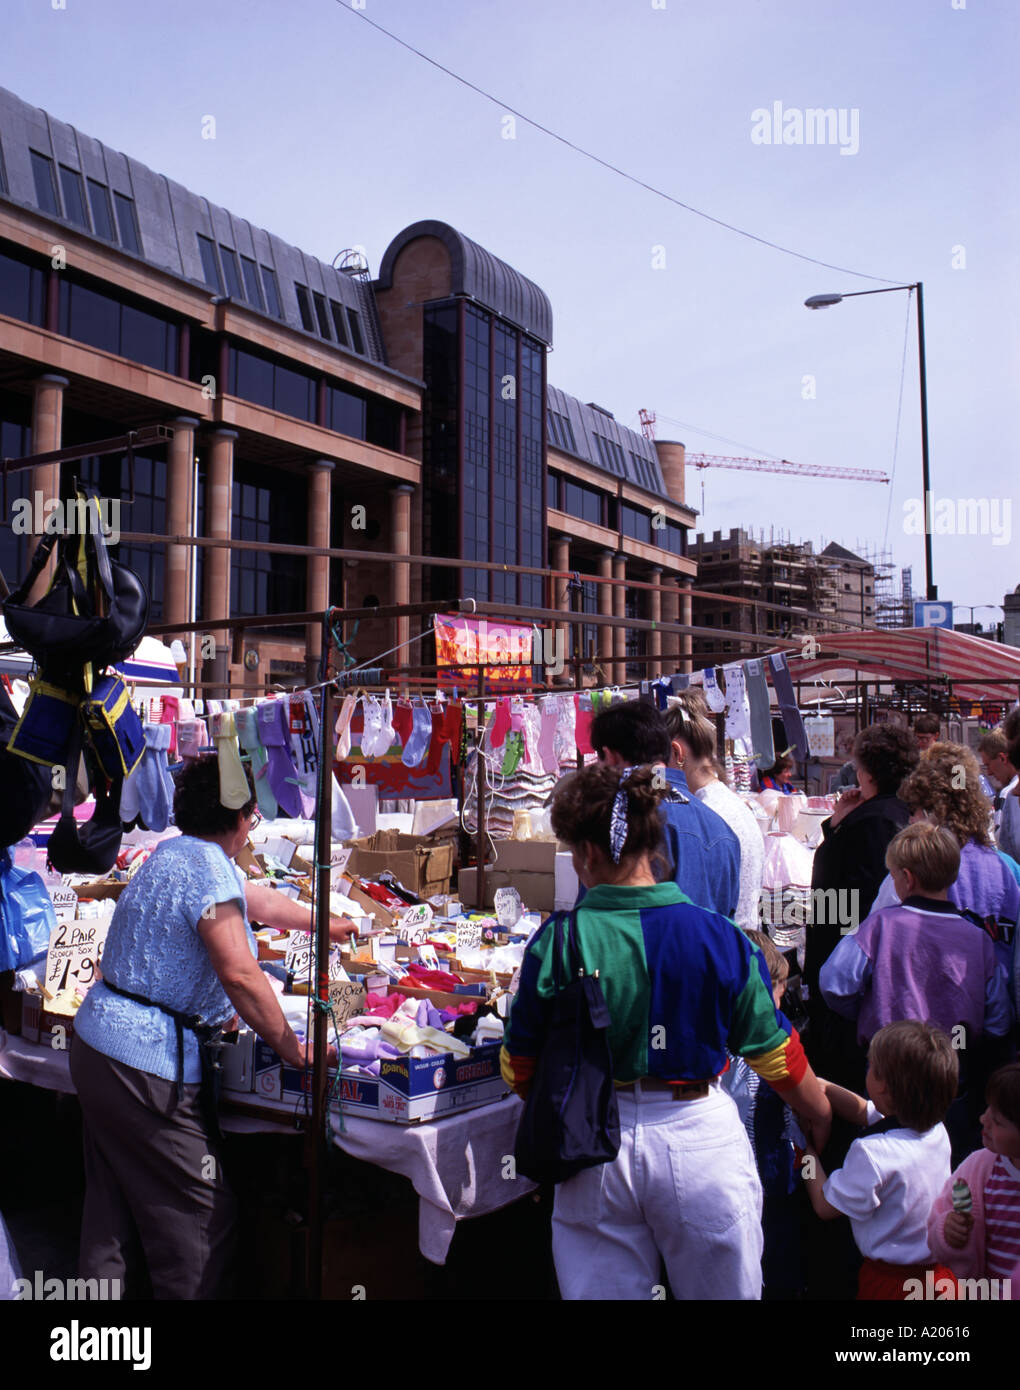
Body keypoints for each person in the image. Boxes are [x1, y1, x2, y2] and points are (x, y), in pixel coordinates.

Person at [502, 762, 832, 1300]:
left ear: (586, 853)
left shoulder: (556, 943)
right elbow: (777, 1054)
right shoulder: (721, 937)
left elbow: (520, 1066)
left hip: (593, 1146)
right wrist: (817, 1110)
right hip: (699, 1138)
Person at [70, 755, 357, 1299]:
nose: (254, 825)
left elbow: (258, 901)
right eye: (252, 814)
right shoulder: (205, 867)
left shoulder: (177, 855)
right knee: (200, 1214)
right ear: (243, 816)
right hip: (144, 1065)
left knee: (111, 1207)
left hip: (96, 1047)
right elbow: (241, 975)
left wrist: (326, 921)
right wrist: (294, 1050)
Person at [802, 1021, 959, 1301]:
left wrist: (806, 1156)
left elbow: (825, 1206)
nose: (867, 1069)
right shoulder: (936, 1130)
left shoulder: (872, 1153)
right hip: (937, 1278)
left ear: (884, 1086)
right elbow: (866, 1111)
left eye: (870, 1066)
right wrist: (823, 1088)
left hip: (890, 1283)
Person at [820, 822, 1011, 1049]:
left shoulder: (878, 927)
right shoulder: (979, 940)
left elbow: (834, 984)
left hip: (891, 1060)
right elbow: (998, 1020)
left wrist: (870, 1011)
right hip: (953, 1068)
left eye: (893, 876)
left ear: (907, 879)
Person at [867, 743, 1020, 1018]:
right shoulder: (1007, 869)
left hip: (928, 1025)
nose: (910, 819)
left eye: (914, 810)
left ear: (932, 810)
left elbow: (871, 953)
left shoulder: (911, 871)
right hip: (996, 1023)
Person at [805, 723, 919, 1078]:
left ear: (866, 771)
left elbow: (843, 904)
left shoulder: (872, 822)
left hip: (854, 978)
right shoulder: (898, 813)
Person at [588, 700, 740, 919]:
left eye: (599, 760)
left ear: (610, 756)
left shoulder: (619, 823)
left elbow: (598, 923)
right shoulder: (722, 828)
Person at [722, 930, 805, 1298]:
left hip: (725, 1184)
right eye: (778, 986)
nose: (784, 994)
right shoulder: (775, 1044)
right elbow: (810, 1105)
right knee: (774, 1265)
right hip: (769, 1179)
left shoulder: (711, 1043)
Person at [665, 691, 765, 934]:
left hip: (722, 948)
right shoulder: (732, 804)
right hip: (741, 946)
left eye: (659, 760)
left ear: (677, 754)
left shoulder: (702, 815)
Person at [927, 1063, 1020, 1290]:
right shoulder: (978, 1168)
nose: (983, 1120)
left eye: (998, 1122)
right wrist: (948, 1232)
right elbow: (937, 1225)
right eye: (988, 1109)